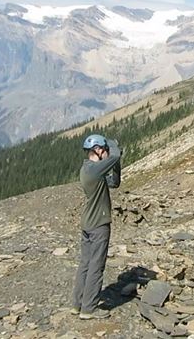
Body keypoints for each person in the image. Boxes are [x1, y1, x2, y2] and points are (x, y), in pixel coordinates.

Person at [72, 134, 121, 320]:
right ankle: (89, 309)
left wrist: (115, 165)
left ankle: (77, 304)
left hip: (87, 223)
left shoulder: (88, 169)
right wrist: (114, 146)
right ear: (99, 150)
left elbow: (114, 183)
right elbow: (115, 156)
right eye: (104, 149)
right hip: (99, 224)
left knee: (85, 263)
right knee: (96, 265)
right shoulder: (95, 170)